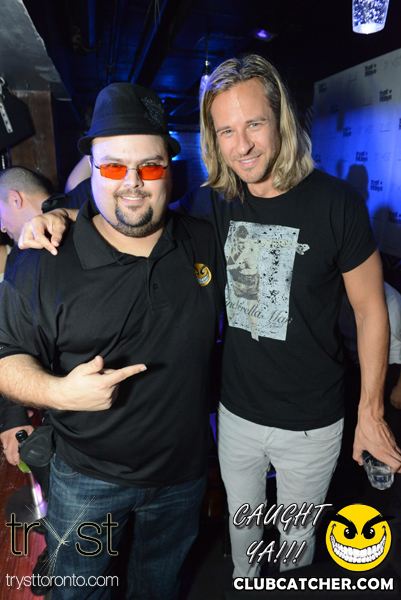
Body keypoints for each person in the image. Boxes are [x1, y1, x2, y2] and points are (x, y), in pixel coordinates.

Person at [16, 55, 401, 579]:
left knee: (296, 544)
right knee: (243, 542)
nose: (242, 145)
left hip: (312, 422)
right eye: (226, 131)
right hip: (235, 416)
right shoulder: (214, 203)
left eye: (254, 124)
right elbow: (132, 195)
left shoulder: (338, 203)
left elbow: (371, 309)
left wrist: (371, 412)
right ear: (213, 139)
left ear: (281, 119)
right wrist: (61, 209)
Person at [0, 82, 223, 600]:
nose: (133, 183)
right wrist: (59, 392)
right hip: (86, 478)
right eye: (114, 167)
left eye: (149, 166)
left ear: (169, 167)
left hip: (184, 475)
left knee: (159, 586)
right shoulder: (42, 259)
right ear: (93, 170)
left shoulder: (204, 241)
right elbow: (6, 354)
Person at [0, 166, 90, 468]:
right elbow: (13, 337)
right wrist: (14, 416)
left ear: (15, 198)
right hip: (72, 426)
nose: (2, 228)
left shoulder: (87, 200)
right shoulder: (19, 256)